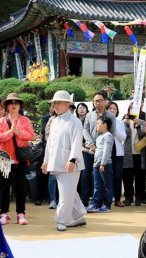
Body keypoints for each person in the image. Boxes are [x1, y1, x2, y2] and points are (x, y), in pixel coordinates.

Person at [41, 90, 87, 232]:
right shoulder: (54, 121)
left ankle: (61, 220)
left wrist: (73, 159)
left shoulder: (75, 121)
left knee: (66, 193)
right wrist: (46, 160)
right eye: (54, 102)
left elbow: (76, 141)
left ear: (68, 104)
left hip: (70, 162)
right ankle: (79, 217)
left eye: (59, 102)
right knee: (69, 192)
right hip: (57, 161)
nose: (55, 105)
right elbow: (50, 143)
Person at [0, 93, 34, 225]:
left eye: (16, 103)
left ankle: (20, 213)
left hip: (20, 158)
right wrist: (11, 132)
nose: (14, 105)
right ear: (7, 106)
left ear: (19, 105)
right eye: (11, 103)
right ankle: (4, 212)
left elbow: (31, 136)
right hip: (5, 159)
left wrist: (19, 133)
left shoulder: (25, 120)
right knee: (4, 188)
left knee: (21, 187)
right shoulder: (2, 121)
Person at [82, 92, 110, 205]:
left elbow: (111, 134)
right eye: (95, 101)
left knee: (101, 178)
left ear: (105, 101)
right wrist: (91, 144)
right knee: (85, 175)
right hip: (90, 150)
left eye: (100, 100)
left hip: (103, 153)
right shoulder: (89, 115)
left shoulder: (110, 116)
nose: (97, 103)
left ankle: (99, 201)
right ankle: (84, 200)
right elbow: (85, 130)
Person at [121, 104, 146, 207]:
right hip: (127, 153)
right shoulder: (123, 122)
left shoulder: (142, 122)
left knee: (139, 177)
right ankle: (128, 197)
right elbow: (124, 136)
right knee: (127, 177)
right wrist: (127, 124)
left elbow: (141, 134)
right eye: (132, 109)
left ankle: (138, 197)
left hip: (139, 153)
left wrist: (137, 125)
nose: (133, 112)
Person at [88, 114, 114, 212]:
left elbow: (107, 151)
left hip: (105, 164)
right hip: (97, 164)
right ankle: (96, 204)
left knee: (107, 185)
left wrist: (103, 164)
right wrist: (85, 150)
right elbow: (97, 151)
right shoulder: (99, 137)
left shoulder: (108, 136)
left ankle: (107, 205)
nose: (96, 126)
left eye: (98, 123)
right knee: (98, 185)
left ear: (105, 125)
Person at [105, 101, 127, 207]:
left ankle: (117, 199)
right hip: (105, 152)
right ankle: (106, 198)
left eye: (114, 108)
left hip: (117, 153)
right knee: (106, 176)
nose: (112, 110)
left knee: (117, 176)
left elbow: (123, 138)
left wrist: (114, 127)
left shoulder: (120, 123)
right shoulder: (103, 121)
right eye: (110, 108)